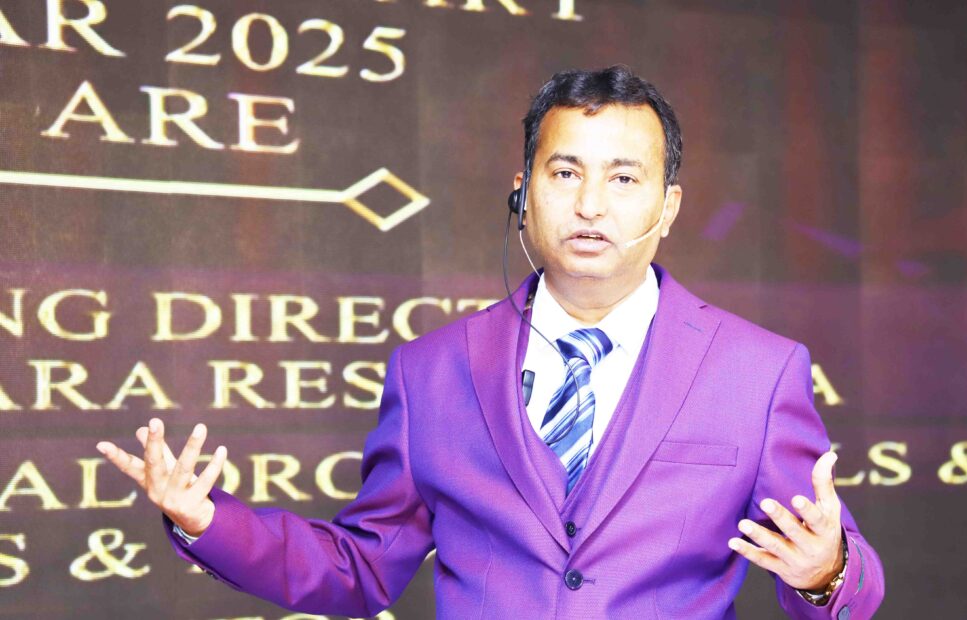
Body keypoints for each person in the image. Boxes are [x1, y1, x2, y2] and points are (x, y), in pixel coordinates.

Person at [98, 65, 884, 619]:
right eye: (564, 173)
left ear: (668, 206)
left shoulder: (756, 371)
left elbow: (848, 581)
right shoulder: (431, 372)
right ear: (522, 194)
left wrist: (826, 571)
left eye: (623, 178)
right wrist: (206, 520)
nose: (590, 204)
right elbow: (361, 568)